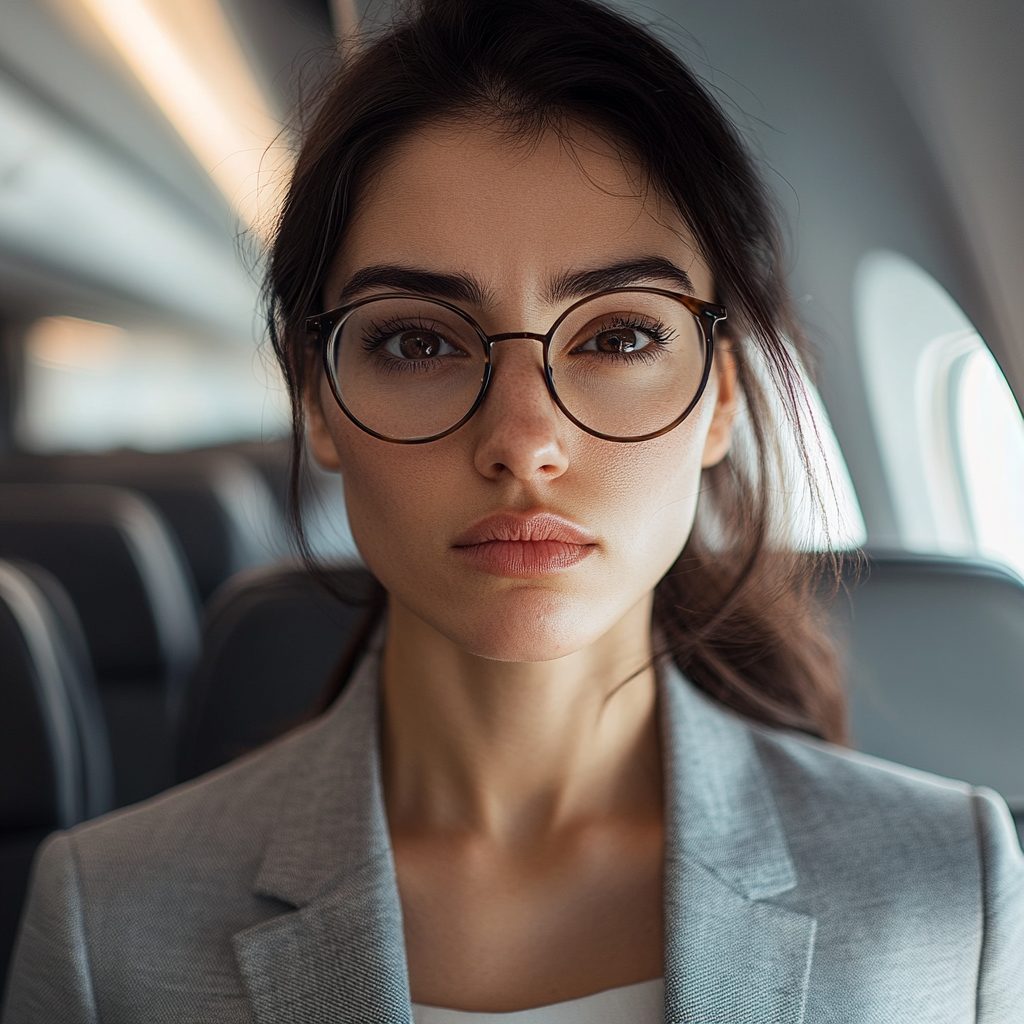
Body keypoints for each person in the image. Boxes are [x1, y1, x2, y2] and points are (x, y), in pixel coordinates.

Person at [4, 0, 1023, 1021]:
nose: (523, 439)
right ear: (316, 399)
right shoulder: (109, 919)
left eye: (618, 336)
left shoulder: (948, 895)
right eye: (417, 341)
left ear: (719, 396)